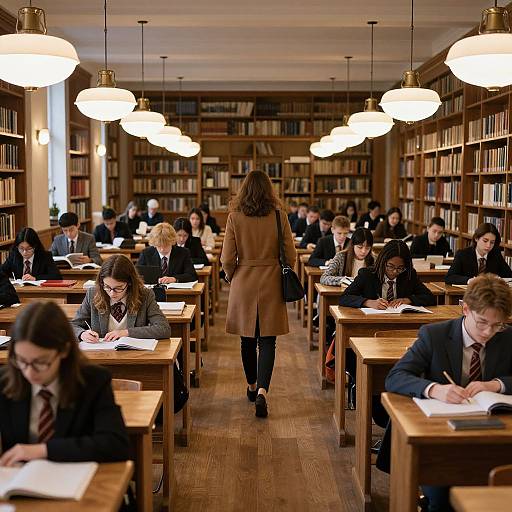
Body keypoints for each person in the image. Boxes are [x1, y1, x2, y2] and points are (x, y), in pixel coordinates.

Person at [385, 274, 512, 511]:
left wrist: (496, 384)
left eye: (497, 325)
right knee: (443, 499)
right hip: (441, 439)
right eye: (482, 322)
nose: (488, 332)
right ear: (465, 309)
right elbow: (395, 377)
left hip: (495, 435)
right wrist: (434, 389)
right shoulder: (434, 335)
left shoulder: (507, 337)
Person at [0, 301, 130, 466]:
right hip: (19, 480)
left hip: (78, 479)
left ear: (64, 350)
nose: (29, 372)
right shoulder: (4, 381)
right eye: (22, 361)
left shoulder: (93, 381)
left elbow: (115, 445)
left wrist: (43, 450)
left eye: (41, 362)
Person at [221, 170, 296, 418]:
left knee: (246, 339)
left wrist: (232, 276)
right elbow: (290, 253)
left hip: (244, 280)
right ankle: (263, 391)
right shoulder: (279, 216)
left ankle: (252, 386)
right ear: (269, 190)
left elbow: (227, 258)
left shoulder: (234, 217)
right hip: (272, 280)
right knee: (268, 341)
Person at [72, 255, 171, 342]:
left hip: (134, 357)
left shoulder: (145, 295)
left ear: (130, 283)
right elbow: (73, 326)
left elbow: (164, 328)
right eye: (107, 286)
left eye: (118, 288)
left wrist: (126, 333)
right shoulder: (93, 293)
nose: (112, 293)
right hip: (101, 355)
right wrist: (82, 334)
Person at [339, 239, 436, 309]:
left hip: (399, 323)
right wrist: (368, 302)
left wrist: (408, 300)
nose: (395, 271)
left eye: (400, 268)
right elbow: (344, 298)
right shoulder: (367, 274)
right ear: (382, 261)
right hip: (370, 322)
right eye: (390, 266)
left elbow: (430, 298)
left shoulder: (409, 275)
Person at [446, 222, 512, 285]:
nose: (488, 245)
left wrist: (498, 280)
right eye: (485, 241)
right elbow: (449, 277)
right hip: (467, 294)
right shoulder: (463, 254)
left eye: (492, 242)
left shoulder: (496, 255)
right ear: (476, 238)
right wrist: (469, 280)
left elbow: (509, 275)